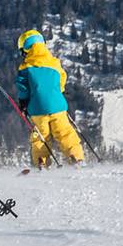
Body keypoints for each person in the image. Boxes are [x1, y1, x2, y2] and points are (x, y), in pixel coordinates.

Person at [14, 29, 85, 169]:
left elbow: (23, 88)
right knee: (65, 132)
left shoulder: (25, 67)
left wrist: (23, 103)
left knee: (40, 137)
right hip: (57, 106)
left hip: (37, 108)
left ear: (25, 49)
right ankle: (76, 158)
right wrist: (57, 93)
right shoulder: (54, 63)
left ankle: (42, 162)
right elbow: (62, 80)